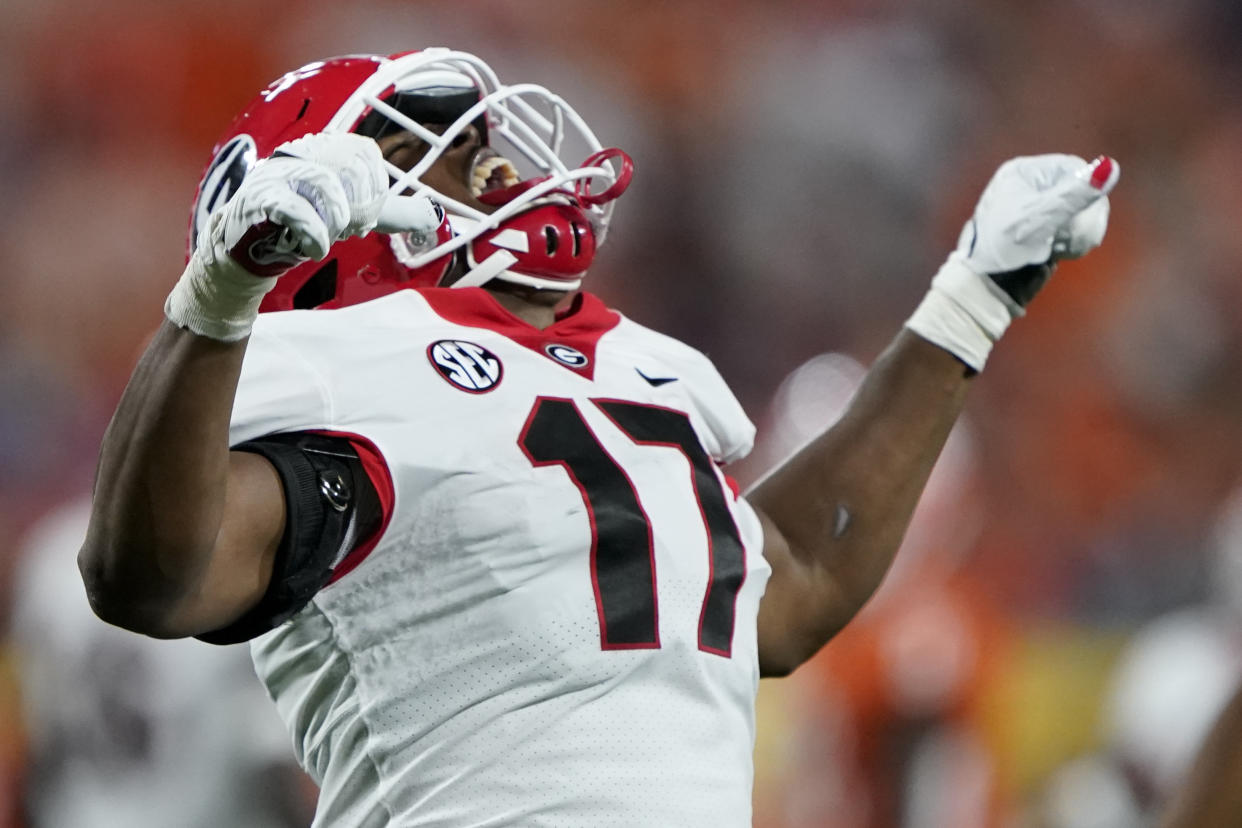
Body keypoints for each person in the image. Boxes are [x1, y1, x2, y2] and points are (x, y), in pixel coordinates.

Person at [77, 48, 1118, 826]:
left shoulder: (640, 367)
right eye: (423, 147)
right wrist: (220, 298)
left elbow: (787, 580)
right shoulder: (346, 359)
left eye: (479, 139)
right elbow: (154, 578)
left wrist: (971, 300)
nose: (490, 164)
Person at [13, 496, 314, 828]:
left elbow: (36, 722)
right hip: (203, 814)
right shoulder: (230, 545)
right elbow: (270, 744)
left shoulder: (53, 552)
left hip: (80, 814)